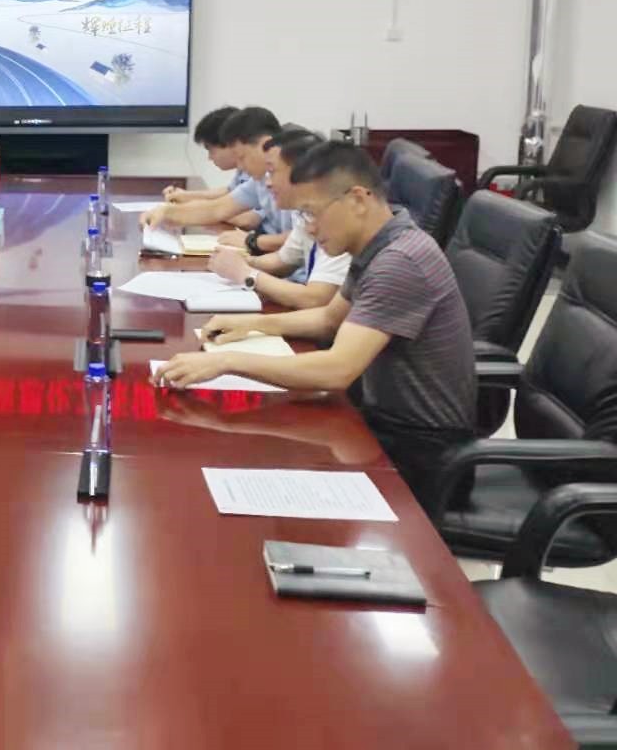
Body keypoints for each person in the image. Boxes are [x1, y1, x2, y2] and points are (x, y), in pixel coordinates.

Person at [155, 141, 476, 505]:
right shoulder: (380, 242)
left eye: (311, 213)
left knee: (243, 458)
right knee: (241, 445)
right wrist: (254, 325)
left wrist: (226, 361)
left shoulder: (399, 262)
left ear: (357, 199)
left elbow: (337, 370)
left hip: (422, 456)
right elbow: (329, 320)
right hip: (378, 423)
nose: (308, 229)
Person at [207, 129, 350, 309]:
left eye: (272, 172)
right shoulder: (305, 213)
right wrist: (241, 262)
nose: (267, 183)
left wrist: (246, 273)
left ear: (302, 172)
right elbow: (283, 261)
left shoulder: (339, 218)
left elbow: (315, 299)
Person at [141, 106, 291, 254]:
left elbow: (298, 240)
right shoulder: (260, 180)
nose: (239, 166)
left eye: (242, 157)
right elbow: (217, 209)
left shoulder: (296, 177)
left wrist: (252, 242)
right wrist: (167, 212)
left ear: (266, 144)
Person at [162, 106, 258, 228]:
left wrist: (193, 208)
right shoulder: (245, 169)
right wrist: (187, 196)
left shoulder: (261, 172)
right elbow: (229, 192)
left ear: (231, 143)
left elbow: (246, 218)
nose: (209, 158)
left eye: (210, 150)